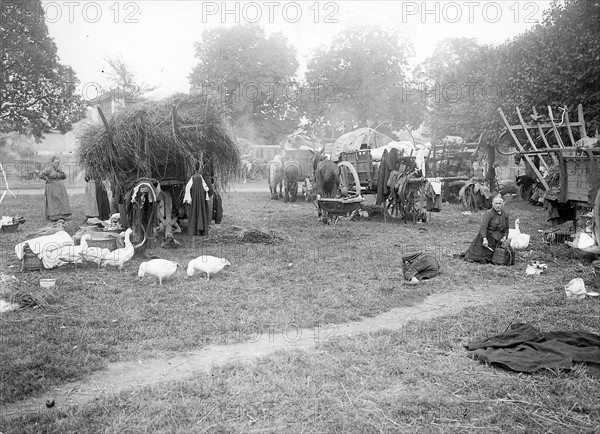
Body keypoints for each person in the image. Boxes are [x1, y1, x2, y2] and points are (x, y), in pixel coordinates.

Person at [463, 194, 512, 264]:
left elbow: (506, 228)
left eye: (500, 203)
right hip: (488, 238)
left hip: (499, 240)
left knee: (501, 255)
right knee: (481, 257)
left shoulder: (505, 215)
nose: (498, 205)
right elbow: (483, 228)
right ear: (492, 204)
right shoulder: (489, 213)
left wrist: (504, 236)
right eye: (496, 203)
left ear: (503, 204)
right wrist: (484, 239)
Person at [40, 156, 71, 221]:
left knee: (62, 201)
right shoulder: (48, 169)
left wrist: (61, 173)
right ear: (52, 162)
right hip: (52, 187)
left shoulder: (59, 169)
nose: (57, 164)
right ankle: (54, 216)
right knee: (53, 202)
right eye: (55, 162)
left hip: (60, 187)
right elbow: (41, 174)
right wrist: (47, 180)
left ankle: (62, 215)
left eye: (58, 162)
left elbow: (64, 177)